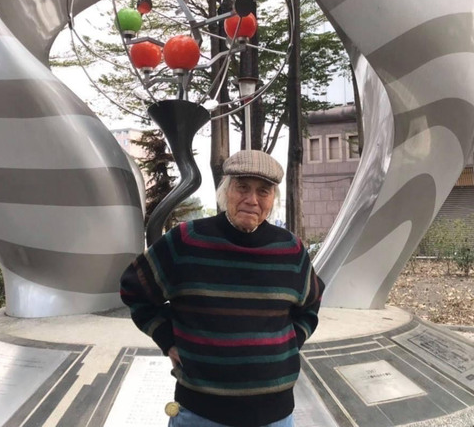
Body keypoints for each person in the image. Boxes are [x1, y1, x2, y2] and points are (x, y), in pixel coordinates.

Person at [120, 149, 324, 427]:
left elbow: (310, 306)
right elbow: (135, 291)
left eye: (263, 191)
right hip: (200, 413)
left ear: (272, 199)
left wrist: (289, 344)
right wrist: (167, 339)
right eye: (242, 187)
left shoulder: (291, 250)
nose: (252, 200)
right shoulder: (186, 241)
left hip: (275, 416)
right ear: (225, 191)